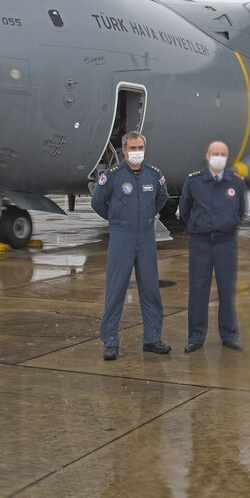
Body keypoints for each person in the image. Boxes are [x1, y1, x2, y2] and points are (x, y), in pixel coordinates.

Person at [90, 131, 170, 361]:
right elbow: (98, 202)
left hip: (145, 236)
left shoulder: (154, 175)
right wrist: (117, 220)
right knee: (116, 290)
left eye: (140, 148)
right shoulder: (112, 176)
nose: (137, 152)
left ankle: (152, 338)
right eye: (132, 148)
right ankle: (110, 341)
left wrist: (144, 217)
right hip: (121, 236)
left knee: (150, 289)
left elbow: (161, 199)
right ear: (124, 151)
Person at [178, 140, 247, 353]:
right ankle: (196, 337)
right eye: (215, 153)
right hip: (201, 244)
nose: (219, 157)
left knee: (227, 291)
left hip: (226, 244)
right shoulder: (194, 181)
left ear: (227, 157)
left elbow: (241, 211)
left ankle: (229, 335)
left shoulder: (236, 182)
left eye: (223, 154)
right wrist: (197, 227)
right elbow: (184, 208)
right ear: (207, 156)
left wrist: (228, 225)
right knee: (198, 291)